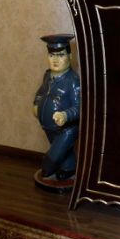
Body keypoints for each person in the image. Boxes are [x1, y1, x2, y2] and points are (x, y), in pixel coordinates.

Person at [32, 33, 81, 190]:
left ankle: (53, 169)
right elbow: (41, 92)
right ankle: (69, 169)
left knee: (49, 163)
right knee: (65, 153)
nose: (55, 59)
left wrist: (65, 115)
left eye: (60, 55)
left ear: (70, 57)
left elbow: (80, 107)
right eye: (52, 55)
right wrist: (36, 104)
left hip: (66, 129)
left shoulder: (73, 81)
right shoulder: (48, 75)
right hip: (49, 127)